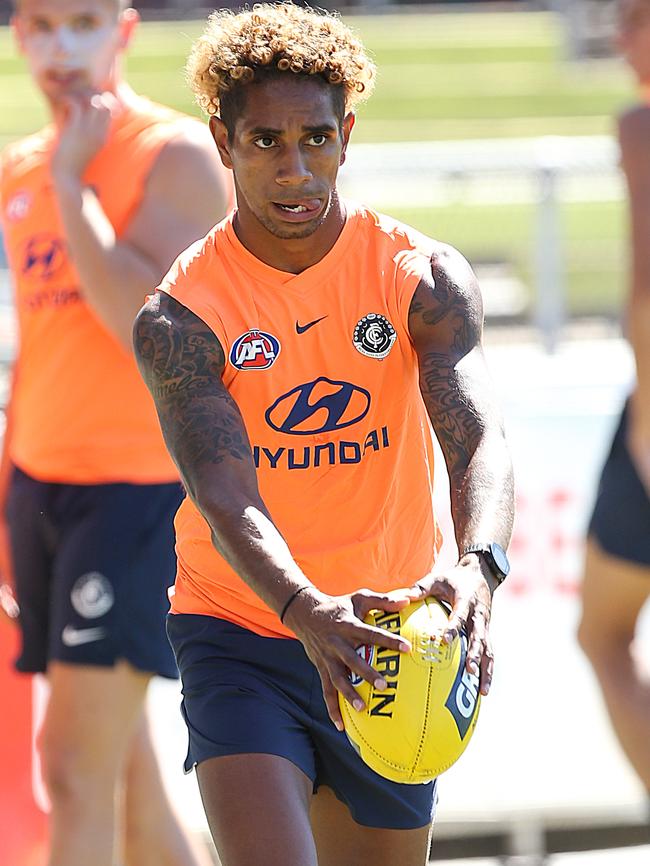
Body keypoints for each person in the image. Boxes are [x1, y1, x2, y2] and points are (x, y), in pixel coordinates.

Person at [134, 5, 514, 865]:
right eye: (265, 141)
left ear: (347, 135)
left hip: (392, 638)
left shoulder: (421, 278)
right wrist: (304, 610)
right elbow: (224, 492)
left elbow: (478, 441)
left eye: (315, 138)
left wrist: (477, 569)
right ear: (223, 142)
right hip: (245, 628)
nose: (294, 168)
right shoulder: (181, 314)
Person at [0, 0, 231, 864]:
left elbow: (141, 324)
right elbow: (40, 347)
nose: (62, 48)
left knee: (67, 767)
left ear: (125, 33)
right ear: (18, 35)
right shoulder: (20, 165)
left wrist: (74, 185)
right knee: (125, 779)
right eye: (42, 26)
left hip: (135, 495)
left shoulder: (169, 153)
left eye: (85, 22)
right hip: (43, 487)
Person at [578, 0, 650, 797]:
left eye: (637, 16)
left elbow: (648, 290)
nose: (620, 37)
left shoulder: (642, 126)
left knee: (602, 634)